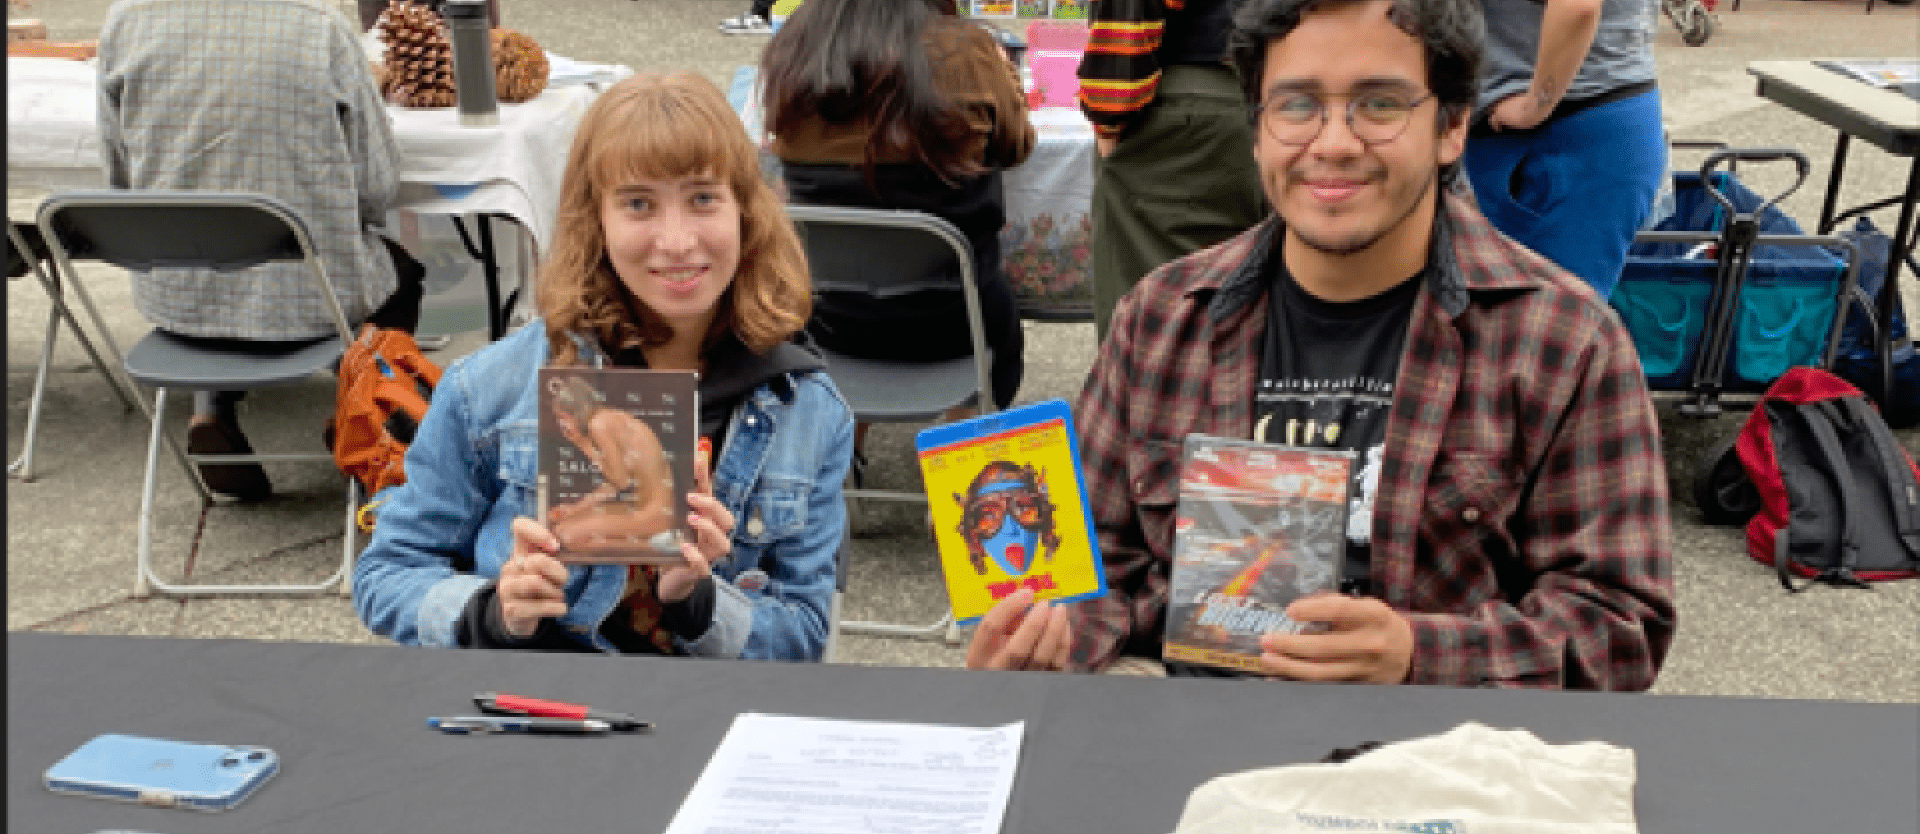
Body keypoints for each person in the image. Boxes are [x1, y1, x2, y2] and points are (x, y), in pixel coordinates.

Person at [971, 0, 1675, 690]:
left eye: (1379, 105)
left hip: (1436, 764)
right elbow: (1101, 569)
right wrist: (1052, 639)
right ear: (1256, 129)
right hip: (1198, 754)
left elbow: (1621, 621)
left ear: (1452, 125)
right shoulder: (1159, 322)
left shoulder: (1565, 344)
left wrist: (1417, 655)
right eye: (1297, 105)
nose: (1333, 142)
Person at [353, 73, 855, 661]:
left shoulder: (808, 410)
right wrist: (493, 609)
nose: (675, 240)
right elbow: (387, 573)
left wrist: (696, 601)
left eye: (702, 198)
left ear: (747, 212)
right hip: (534, 702)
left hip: (701, 715)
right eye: (638, 203)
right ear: (596, 221)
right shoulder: (491, 388)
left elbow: (805, 634)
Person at [96, 0, 425, 501]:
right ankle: (353, 411)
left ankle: (211, 411)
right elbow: (377, 187)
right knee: (402, 276)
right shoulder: (320, 28)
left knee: (225, 263)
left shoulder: (126, 18)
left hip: (176, 300)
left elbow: (120, 182)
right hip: (312, 303)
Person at [760, 0, 1035, 413]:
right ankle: (964, 443)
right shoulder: (967, 52)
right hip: (958, 325)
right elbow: (1015, 147)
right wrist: (1002, 72)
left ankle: (843, 442)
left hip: (827, 324)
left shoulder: (794, 47)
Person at [1079, 0, 1267, 336]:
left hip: (1179, 100)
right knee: (1249, 278)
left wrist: (1111, 112)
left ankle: (1154, 385)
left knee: (1148, 301)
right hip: (1261, 86)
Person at [1461, 0, 1666, 298]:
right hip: (1579, 122)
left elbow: (1577, 5)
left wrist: (1535, 106)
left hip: (1559, 133)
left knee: (1545, 327)